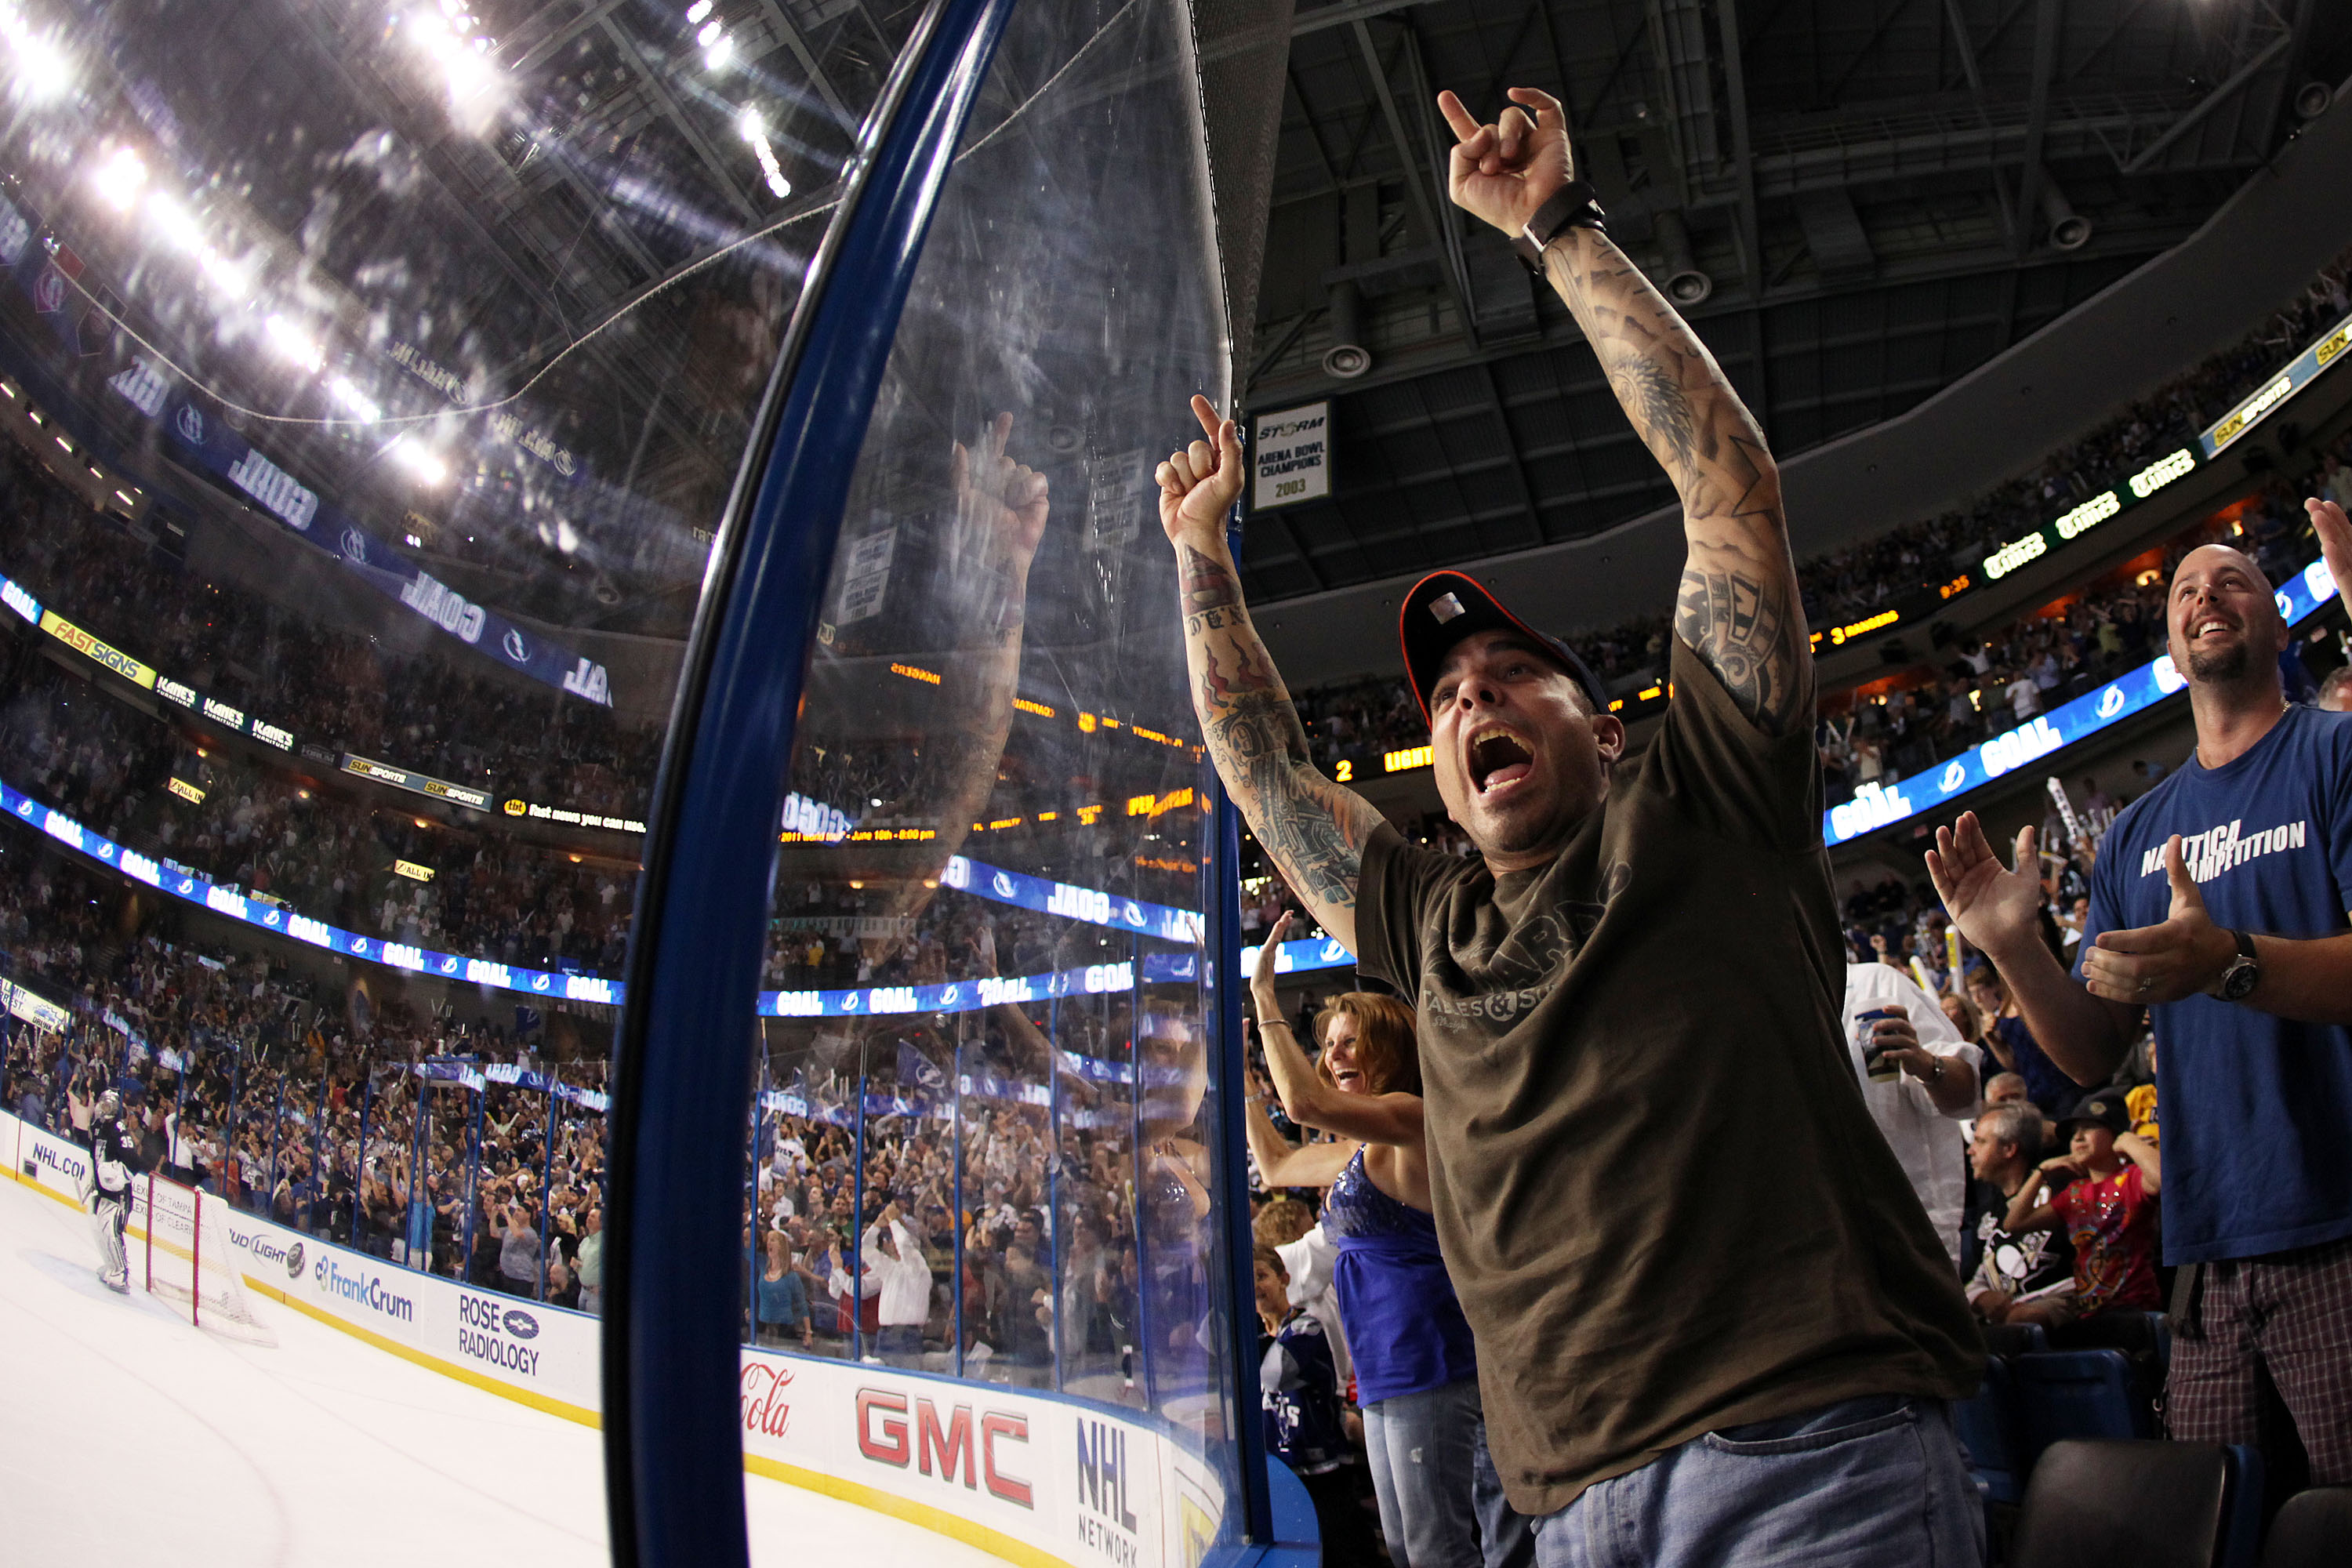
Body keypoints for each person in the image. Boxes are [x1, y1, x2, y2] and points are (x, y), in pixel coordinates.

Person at [1156, 82, 1980, 1566]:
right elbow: (1267, 776)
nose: (1471, 700)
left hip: (1803, 1456)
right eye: (1447, 699)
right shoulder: (1429, 919)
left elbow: (1730, 503)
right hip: (1551, 1506)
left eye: (1508, 673)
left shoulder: (1707, 797)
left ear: (1599, 726)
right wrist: (1201, 552)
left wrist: (1555, 228)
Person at [1927, 503, 2352, 1482]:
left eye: (2232, 578)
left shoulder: (2333, 754)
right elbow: (2090, 1052)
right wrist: (2017, 948)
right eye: (2184, 591)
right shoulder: (2135, 836)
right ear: (2170, 646)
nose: (2206, 594)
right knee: (2220, 1531)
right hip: (2204, 1257)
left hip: (2336, 1223)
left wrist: (2231, 962)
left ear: (2279, 621)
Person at [1250, 916, 1530, 1568]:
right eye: (1332, 1044)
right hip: (1381, 1370)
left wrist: (1266, 1000)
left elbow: (1303, 1106)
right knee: (1406, 1548)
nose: (1336, 1055)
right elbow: (1279, 1168)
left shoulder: (1414, 1117)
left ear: (1392, 1051)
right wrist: (1236, 1085)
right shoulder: (1364, 1148)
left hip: (1429, 1358)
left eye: (1353, 1042)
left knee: (1437, 1551)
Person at [1841, 964, 1981, 1269]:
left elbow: (1965, 1095)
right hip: (1824, 1245)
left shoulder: (1873, 985)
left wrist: (1926, 1064)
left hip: (1908, 1235)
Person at [1255, 1243, 1380, 1566]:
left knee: (1346, 1551)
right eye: (1247, 1278)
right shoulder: (1253, 1332)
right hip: (1281, 1468)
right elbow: (1204, 1340)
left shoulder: (1304, 1326)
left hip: (1322, 1468)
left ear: (1284, 1278)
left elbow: (1274, 1374)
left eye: (1262, 1275)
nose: (1255, 1285)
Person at [1997, 1093, 2163, 1330]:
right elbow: (2014, 1223)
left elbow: (2163, 1179)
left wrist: (2129, 1142)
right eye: (2075, 1133)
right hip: (2088, 1311)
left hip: (2133, 1309)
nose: (2079, 1137)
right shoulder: (2075, 1193)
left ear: (2115, 1134)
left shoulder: (2132, 1179)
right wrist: (2041, 1172)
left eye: (2090, 1127)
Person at [1962, 1102, 2077, 1323]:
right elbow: (1977, 1276)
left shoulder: (2059, 1194)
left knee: (2020, 1320)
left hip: (2056, 1306)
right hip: (2002, 1317)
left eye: (1981, 1142)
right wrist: (1983, 1297)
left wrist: (2017, 1306)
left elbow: (2080, 1270)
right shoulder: (1988, 1211)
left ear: (2009, 1149)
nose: (1970, 1150)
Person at [85, 1087, 141, 1294]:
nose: (102, 1108)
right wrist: (93, 1179)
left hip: (119, 1194)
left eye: (107, 1105)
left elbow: (134, 1164)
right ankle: (111, 1266)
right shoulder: (98, 1126)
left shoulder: (119, 1129)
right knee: (100, 1229)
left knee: (112, 1230)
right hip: (103, 1191)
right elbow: (94, 1156)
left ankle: (122, 1273)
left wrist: (116, 1177)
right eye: (102, 1103)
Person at [758, 1230, 813, 1348]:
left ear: (782, 1247)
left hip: (784, 1331)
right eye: (768, 1240)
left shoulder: (791, 1277)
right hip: (762, 1329)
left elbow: (802, 1305)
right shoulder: (762, 1269)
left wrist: (808, 1333)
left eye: (773, 1240)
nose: (769, 1243)